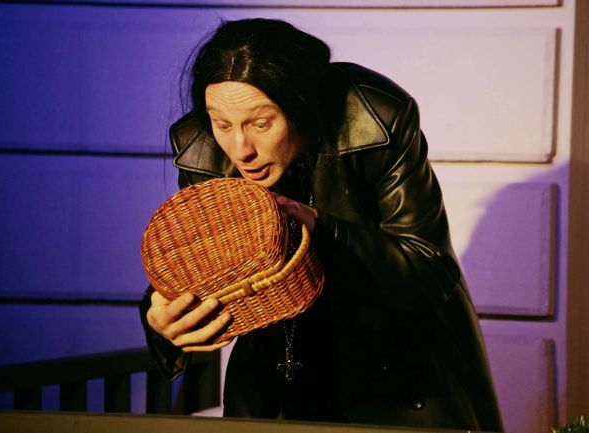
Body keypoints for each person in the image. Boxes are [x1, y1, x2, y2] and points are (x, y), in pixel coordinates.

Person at [140, 18, 504, 431]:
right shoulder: (204, 150)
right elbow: (199, 271)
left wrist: (322, 228)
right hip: (276, 395)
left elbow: (429, 269)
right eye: (222, 125)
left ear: (301, 107)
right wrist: (161, 321)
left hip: (397, 386)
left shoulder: (376, 117)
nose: (241, 149)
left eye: (261, 124)